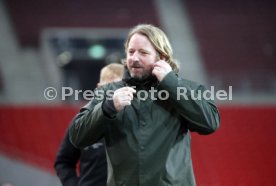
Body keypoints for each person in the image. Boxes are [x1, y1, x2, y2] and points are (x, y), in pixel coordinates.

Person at [69, 24, 220, 186]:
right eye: (131, 52)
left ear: (161, 58)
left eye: (143, 53)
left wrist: (171, 84)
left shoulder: (187, 89)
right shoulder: (109, 93)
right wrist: (107, 108)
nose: (134, 58)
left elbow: (210, 123)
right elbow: (77, 136)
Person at [55, 63, 124, 186]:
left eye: (119, 88)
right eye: (109, 87)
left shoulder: (138, 123)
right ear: (99, 88)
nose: (114, 94)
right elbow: (63, 161)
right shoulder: (82, 122)